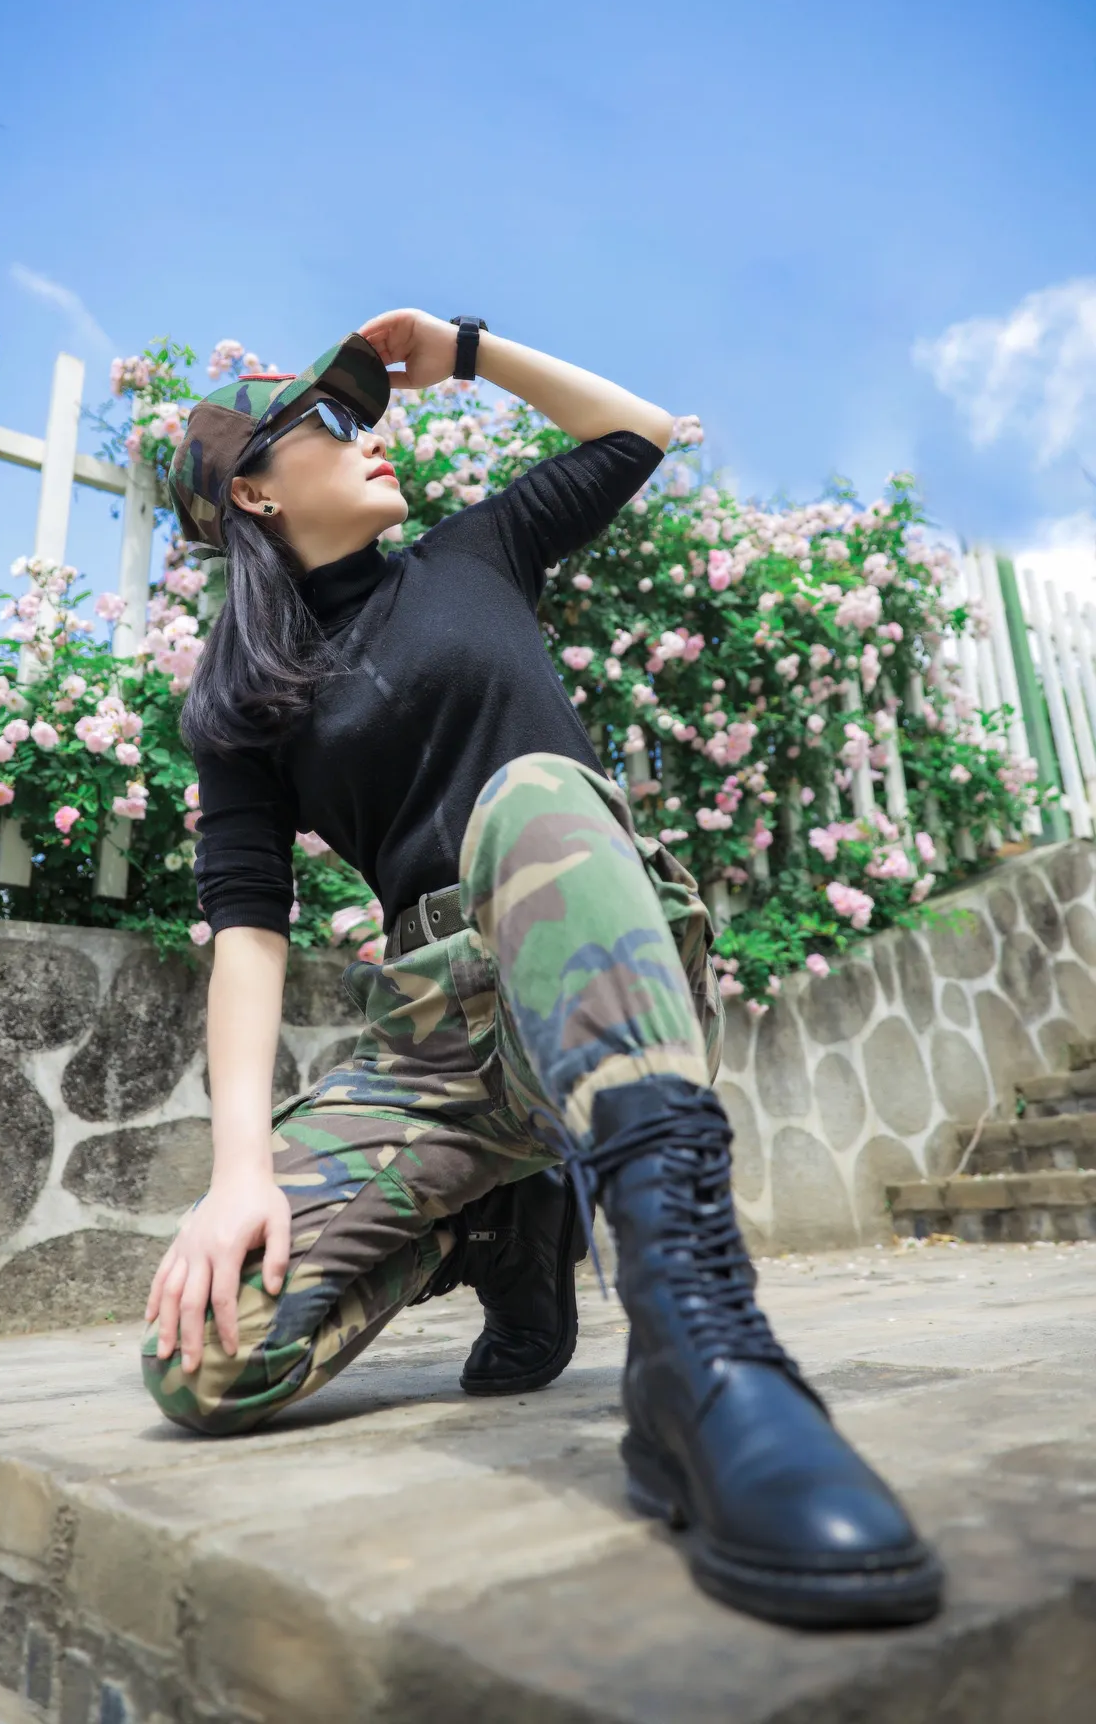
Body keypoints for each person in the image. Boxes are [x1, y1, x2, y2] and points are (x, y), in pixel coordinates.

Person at [141, 309, 943, 1630]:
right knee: (204, 1364)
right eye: (333, 420)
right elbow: (248, 929)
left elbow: (638, 434)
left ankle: (700, 1347)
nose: (374, 432)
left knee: (531, 793)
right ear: (254, 493)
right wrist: (238, 1179)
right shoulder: (242, 701)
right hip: (440, 1042)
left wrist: (468, 350)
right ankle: (499, 1225)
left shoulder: (474, 556)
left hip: (593, 972)